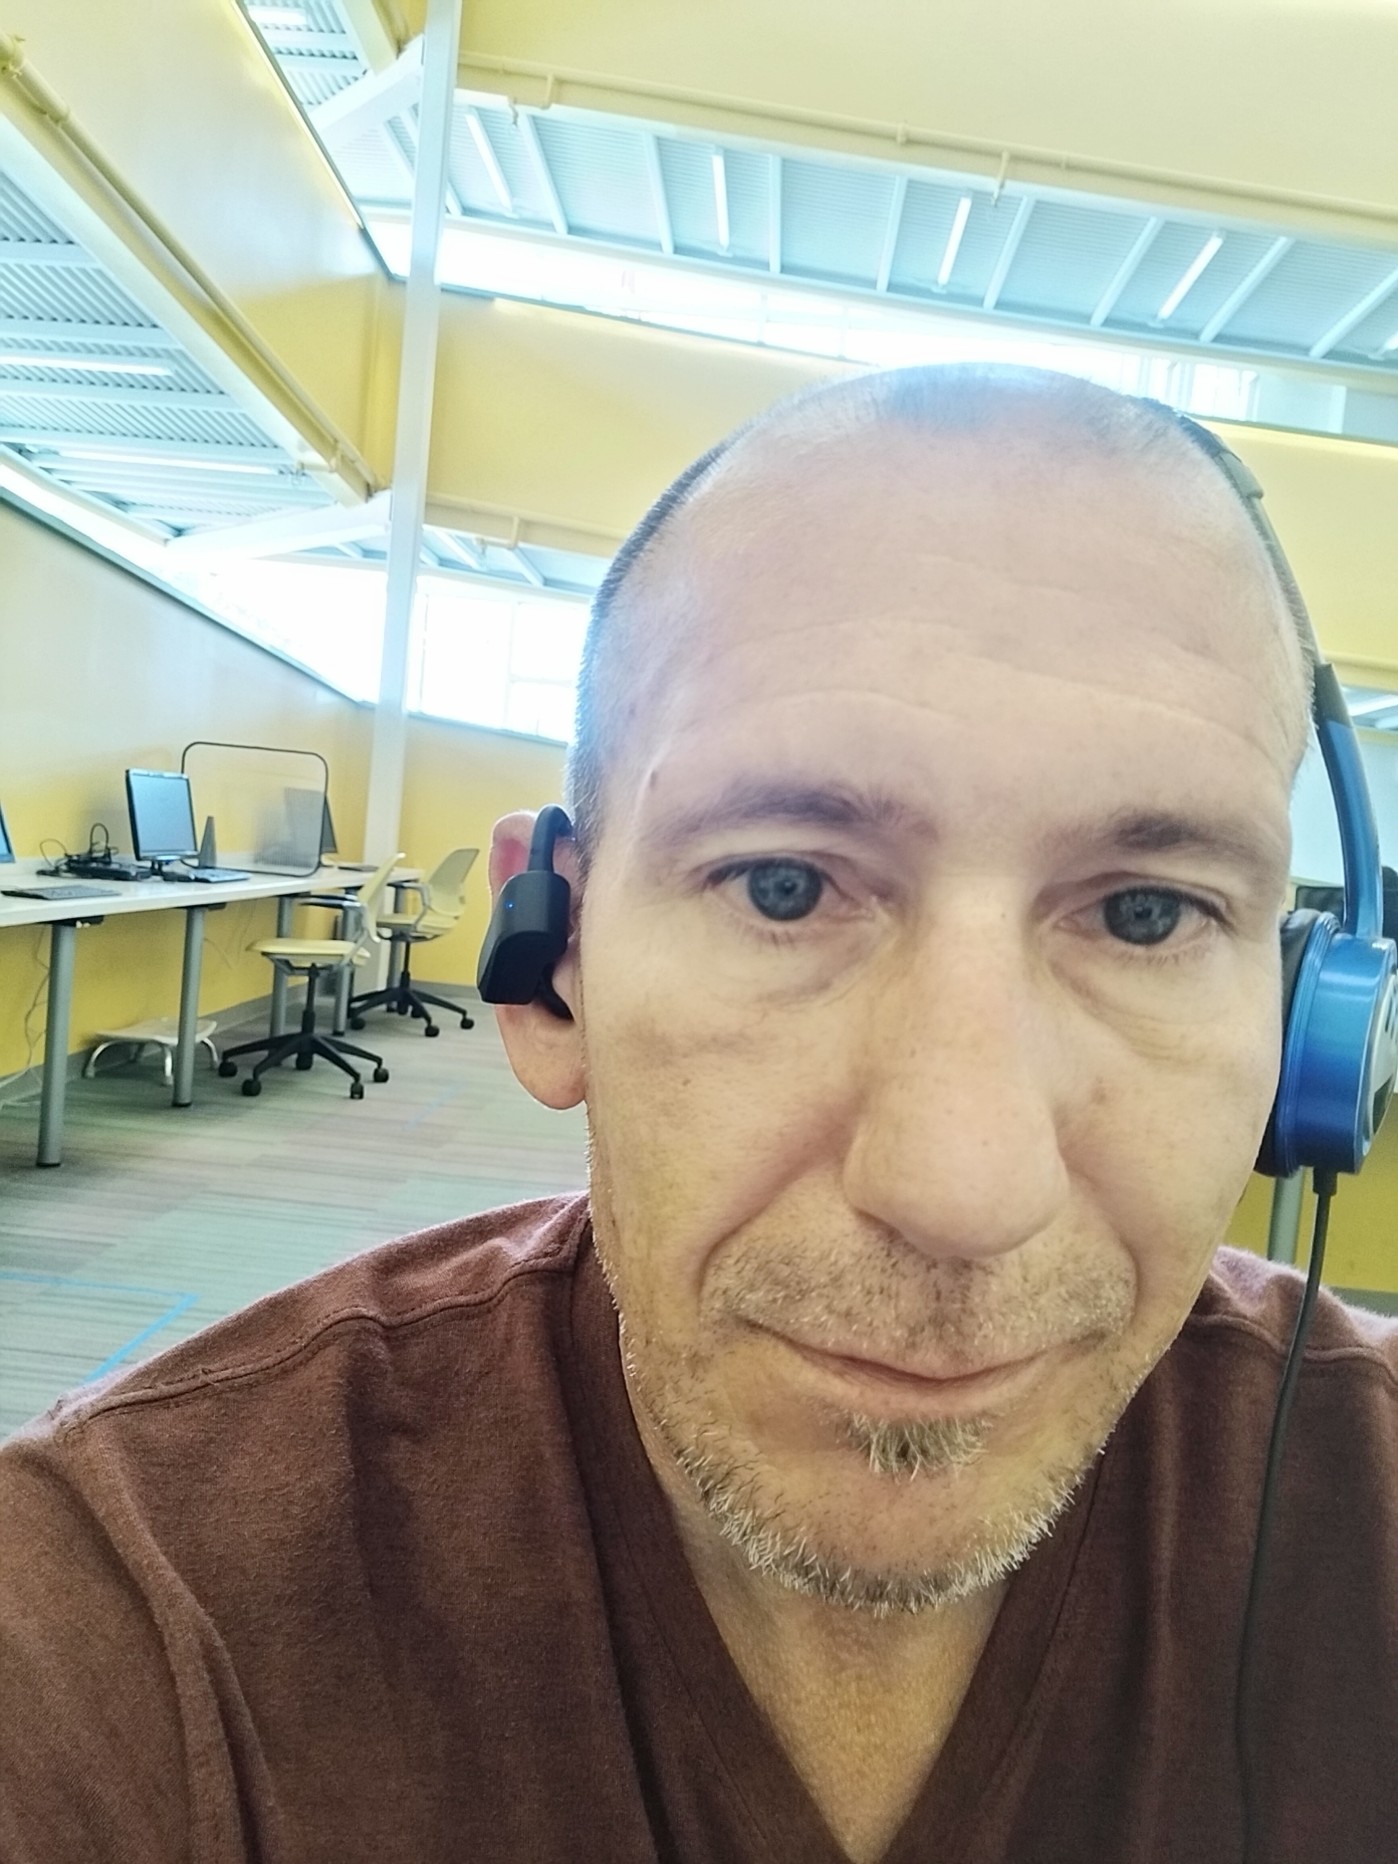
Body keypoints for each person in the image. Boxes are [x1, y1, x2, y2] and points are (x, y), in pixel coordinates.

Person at [2, 364, 1396, 1864]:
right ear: (553, 968)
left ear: (1311, 1029)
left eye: (1144, 914)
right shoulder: (118, 1627)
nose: (960, 1188)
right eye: (782, 886)